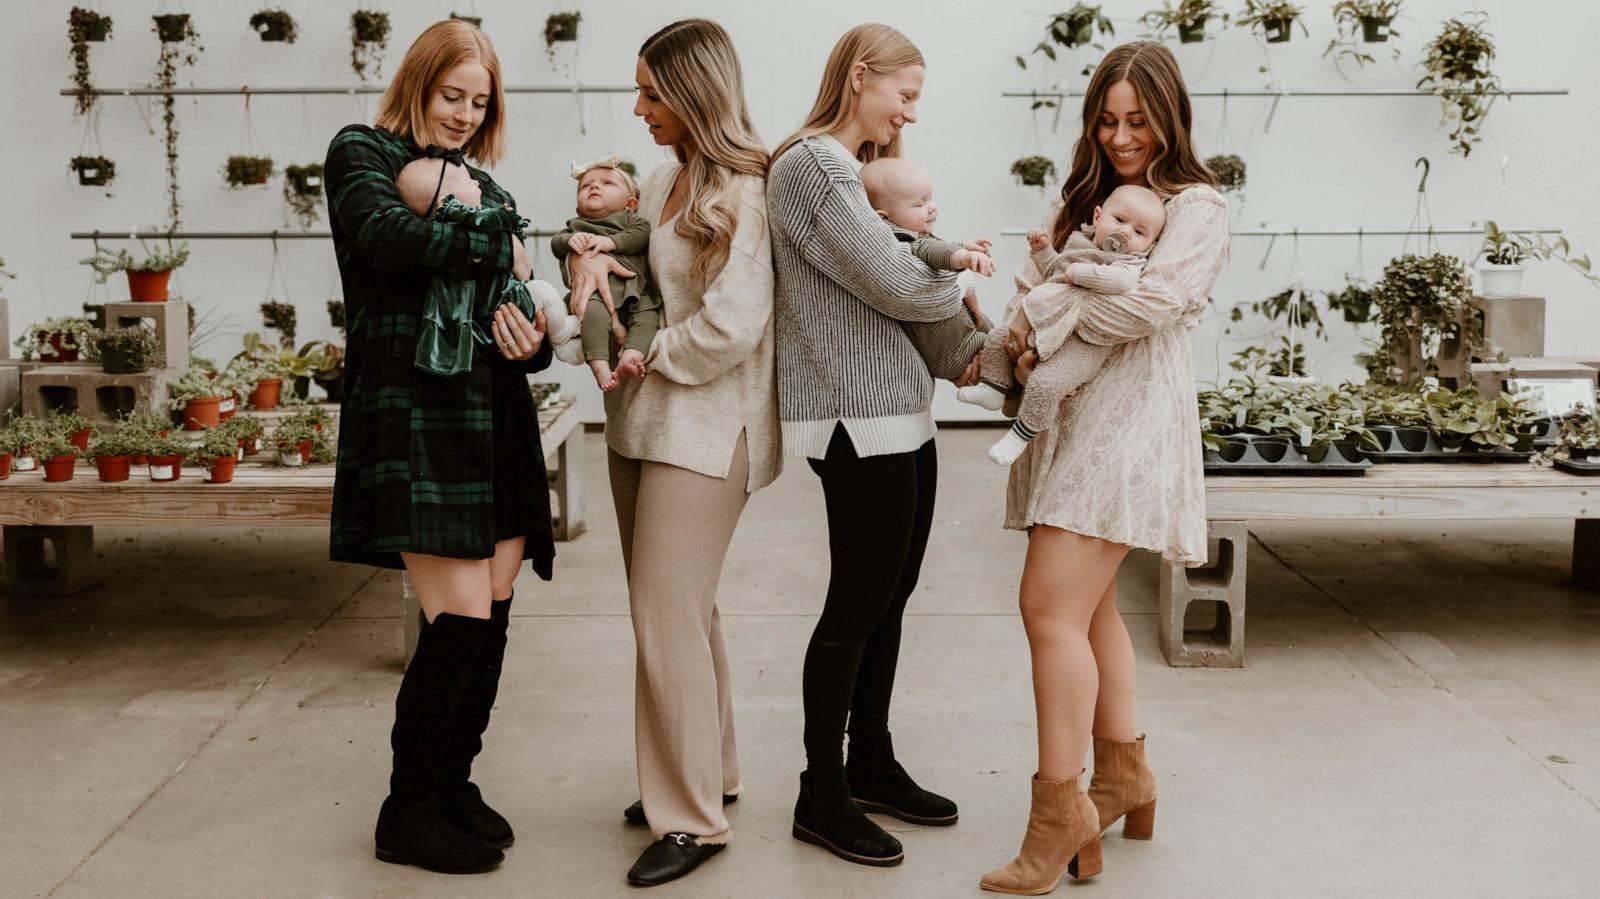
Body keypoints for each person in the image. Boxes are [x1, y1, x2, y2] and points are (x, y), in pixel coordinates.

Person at [978, 41, 1229, 895]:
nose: (1123, 137)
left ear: (1170, 118)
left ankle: (1061, 813)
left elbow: (1158, 303)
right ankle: (1123, 778)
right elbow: (1028, 285)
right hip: (1066, 422)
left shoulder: (1197, 206)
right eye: (1108, 121)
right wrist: (1027, 318)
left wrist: (1059, 304)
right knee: (1084, 614)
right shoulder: (1083, 195)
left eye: (1139, 121)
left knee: (1046, 603)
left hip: (1129, 426)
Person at [324, 18, 551, 876]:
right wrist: (507, 241)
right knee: (455, 620)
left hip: (490, 414)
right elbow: (390, 239)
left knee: (489, 613)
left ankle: (453, 781)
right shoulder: (362, 153)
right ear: (418, 81)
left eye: (479, 100)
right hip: (415, 415)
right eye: (452, 94)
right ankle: (406, 808)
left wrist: (534, 334)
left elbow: (522, 298)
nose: (462, 113)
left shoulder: (479, 180)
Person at [563, 18, 779, 888]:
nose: (640, 106)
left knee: (664, 611)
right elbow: (622, 260)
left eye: (653, 91)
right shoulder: (660, 178)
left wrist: (650, 355)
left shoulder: (746, 190)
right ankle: (709, 776)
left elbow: (735, 322)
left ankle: (690, 820)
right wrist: (582, 254)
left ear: (693, 93)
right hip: (642, 424)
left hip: (705, 424)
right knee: (686, 609)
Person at [767, 22, 981, 870]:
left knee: (893, 592)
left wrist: (974, 346)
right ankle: (822, 792)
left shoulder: (853, 175)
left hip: (898, 411)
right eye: (907, 94)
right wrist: (953, 266)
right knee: (857, 602)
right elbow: (897, 282)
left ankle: (872, 760)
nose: (912, 114)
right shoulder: (811, 166)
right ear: (861, 76)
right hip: (854, 418)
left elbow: (905, 293)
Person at [958, 183, 1168, 465]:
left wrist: (1079, 272)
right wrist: (1043, 251)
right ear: (1098, 217)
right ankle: (993, 389)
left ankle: (1018, 436)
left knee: (1047, 383)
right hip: (1046, 322)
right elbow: (1053, 274)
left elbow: (1120, 282)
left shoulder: (1128, 262)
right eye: (1119, 220)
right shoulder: (1079, 243)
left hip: (1083, 342)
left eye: (1140, 232)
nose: (1126, 232)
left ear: (1150, 245)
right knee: (997, 337)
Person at [550, 155, 660, 390]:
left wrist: (612, 243)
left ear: (630, 204)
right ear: (579, 207)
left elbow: (641, 234)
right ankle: (600, 369)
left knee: (648, 318)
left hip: (635, 291)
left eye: (607, 183)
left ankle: (630, 356)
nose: (594, 186)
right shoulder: (576, 226)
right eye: (586, 185)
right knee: (593, 317)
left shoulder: (630, 220)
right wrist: (571, 240)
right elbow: (556, 243)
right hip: (596, 294)